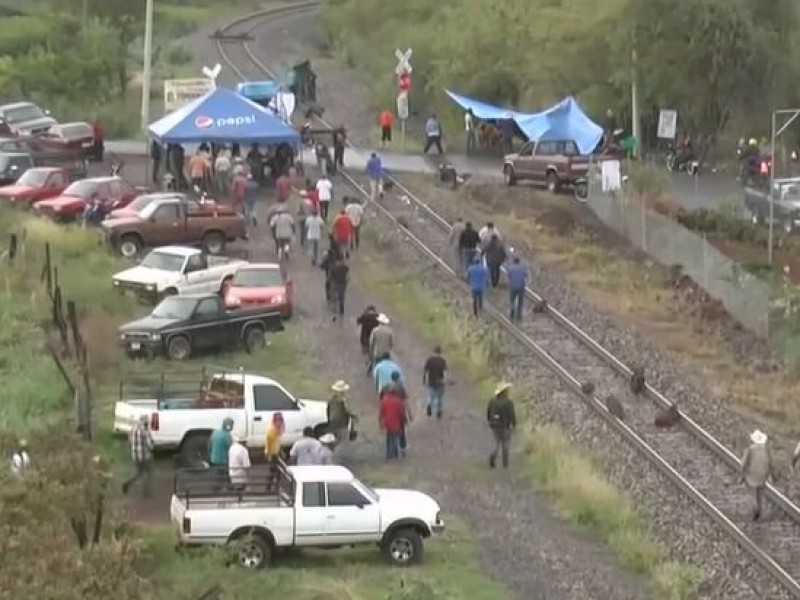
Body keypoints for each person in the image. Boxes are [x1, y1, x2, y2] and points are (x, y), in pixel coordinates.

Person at [741, 429, 775, 521]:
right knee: (760, 493)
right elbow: (771, 462)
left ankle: (755, 509)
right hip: (763, 474)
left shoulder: (750, 449)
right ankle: (760, 510)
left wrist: (742, 474)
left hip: (751, 474)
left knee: (752, 493)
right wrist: (772, 475)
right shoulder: (766, 449)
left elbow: (744, 463)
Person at [122, 415, 154, 496]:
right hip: (144, 455)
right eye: (147, 422)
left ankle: (127, 484)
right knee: (148, 473)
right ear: (145, 422)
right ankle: (146, 492)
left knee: (139, 473)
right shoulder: (145, 431)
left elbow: (130, 440)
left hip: (135, 455)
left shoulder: (133, 428)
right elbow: (150, 445)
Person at [487, 382, 516, 468]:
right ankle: (505, 463)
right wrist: (514, 424)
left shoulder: (492, 401)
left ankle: (493, 456)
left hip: (495, 425)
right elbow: (512, 415)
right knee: (505, 444)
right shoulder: (509, 402)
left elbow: (488, 413)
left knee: (496, 443)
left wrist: (490, 421)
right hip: (505, 426)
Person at [379, 387, 406, 460]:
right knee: (394, 439)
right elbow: (401, 413)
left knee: (389, 437)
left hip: (387, 422)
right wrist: (403, 420)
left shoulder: (384, 400)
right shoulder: (398, 401)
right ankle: (391, 455)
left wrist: (380, 421)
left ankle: (391, 453)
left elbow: (381, 412)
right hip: (396, 422)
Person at [423, 346, 448, 418]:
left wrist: (424, 380)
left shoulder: (429, 360)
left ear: (433, 352)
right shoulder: (442, 361)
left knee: (430, 395)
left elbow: (426, 371)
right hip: (440, 381)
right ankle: (439, 411)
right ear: (440, 352)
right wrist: (445, 381)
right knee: (439, 397)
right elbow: (444, 372)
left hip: (431, 381)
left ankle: (429, 404)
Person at [264, 412, 285, 490]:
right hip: (272, 454)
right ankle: (270, 487)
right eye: (279, 420)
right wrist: (269, 455)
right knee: (273, 471)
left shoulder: (276, 429)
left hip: (276, 452)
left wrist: (281, 451)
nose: (281, 422)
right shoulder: (272, 430)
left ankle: (275, 487)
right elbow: (268, 444)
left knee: (277, 471)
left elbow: (277, 442)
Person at [506, 256, 528, 322]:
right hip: (521, 286)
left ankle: (512, 310)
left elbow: (508, 276)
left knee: (512, 299)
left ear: (513, 262)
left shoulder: (510, 268)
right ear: (519, 262)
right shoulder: (523, 268)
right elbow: (526, 275)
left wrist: (509, 283)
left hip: (513, 286)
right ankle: (519, 315)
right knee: (520, 301)